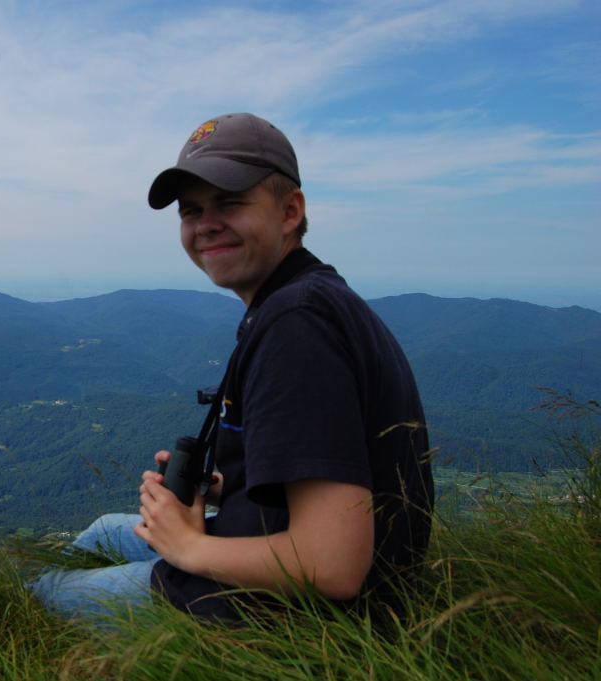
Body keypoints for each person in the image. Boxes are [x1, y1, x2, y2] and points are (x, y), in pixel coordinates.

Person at [30, 113, 433, 622]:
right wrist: (226, 484)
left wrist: (186, 548)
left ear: (290, 211)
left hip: (285, 615)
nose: (205, 224)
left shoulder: (298, 324)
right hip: (280, 560)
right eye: (191, 210)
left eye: (230, 202)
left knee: (39, 594)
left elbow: (333, 565)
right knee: (105, 530)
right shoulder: (303, 297)